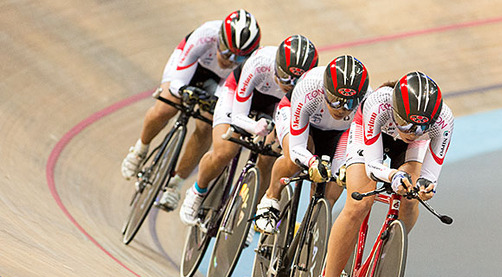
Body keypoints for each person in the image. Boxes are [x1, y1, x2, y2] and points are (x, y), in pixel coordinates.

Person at [312, 71, 455, 277]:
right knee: (360, 202)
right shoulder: (379, 103)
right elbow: (373, 165)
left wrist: (426, 187)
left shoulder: (443, 121)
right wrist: (393, 177)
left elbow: (430, 176)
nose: (414, 130)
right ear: (396, 109)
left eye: (422, 125)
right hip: (370, 138)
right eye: (408, 123)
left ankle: (388, 250)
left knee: (411, 198)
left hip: (411, 149)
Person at [120, 10, 261, 211]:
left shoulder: (249, 63)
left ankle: (175, 184)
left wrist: (215, 103)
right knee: (166, 106)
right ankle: (140, 150)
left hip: (221, 83)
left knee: (207, 126)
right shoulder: (206, 34)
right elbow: (178, 78)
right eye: (227, 52)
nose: (230, 60)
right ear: (218, 39)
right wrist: (182, 89)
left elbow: (230, 96)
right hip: (192, 67)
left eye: (238, 59)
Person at [179, 34, 320, 226]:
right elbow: (238, 115)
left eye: (295, 81)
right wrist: (253, 126)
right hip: (240, 96)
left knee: (270, 156)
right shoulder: (260, 62)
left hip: (277, 107)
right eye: (284, 76)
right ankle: (197, 191)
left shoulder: (309, 86)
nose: (288, 84)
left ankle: (245, 220)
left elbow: (292, 123)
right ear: (276, 65)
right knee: (225, 151)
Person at [253, 55, 371, 234]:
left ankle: (310, 228)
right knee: (294, 160)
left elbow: (362, 144)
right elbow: (296, 148)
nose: (342, 108)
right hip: (304, 122)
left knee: (332, 187)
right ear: (325, 90)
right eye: (336, 99)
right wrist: (311, 162)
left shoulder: (368, 100)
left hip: (341, 133)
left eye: (350, 102)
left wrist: (343, 168)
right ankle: (271, 198)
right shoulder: (310, 87)